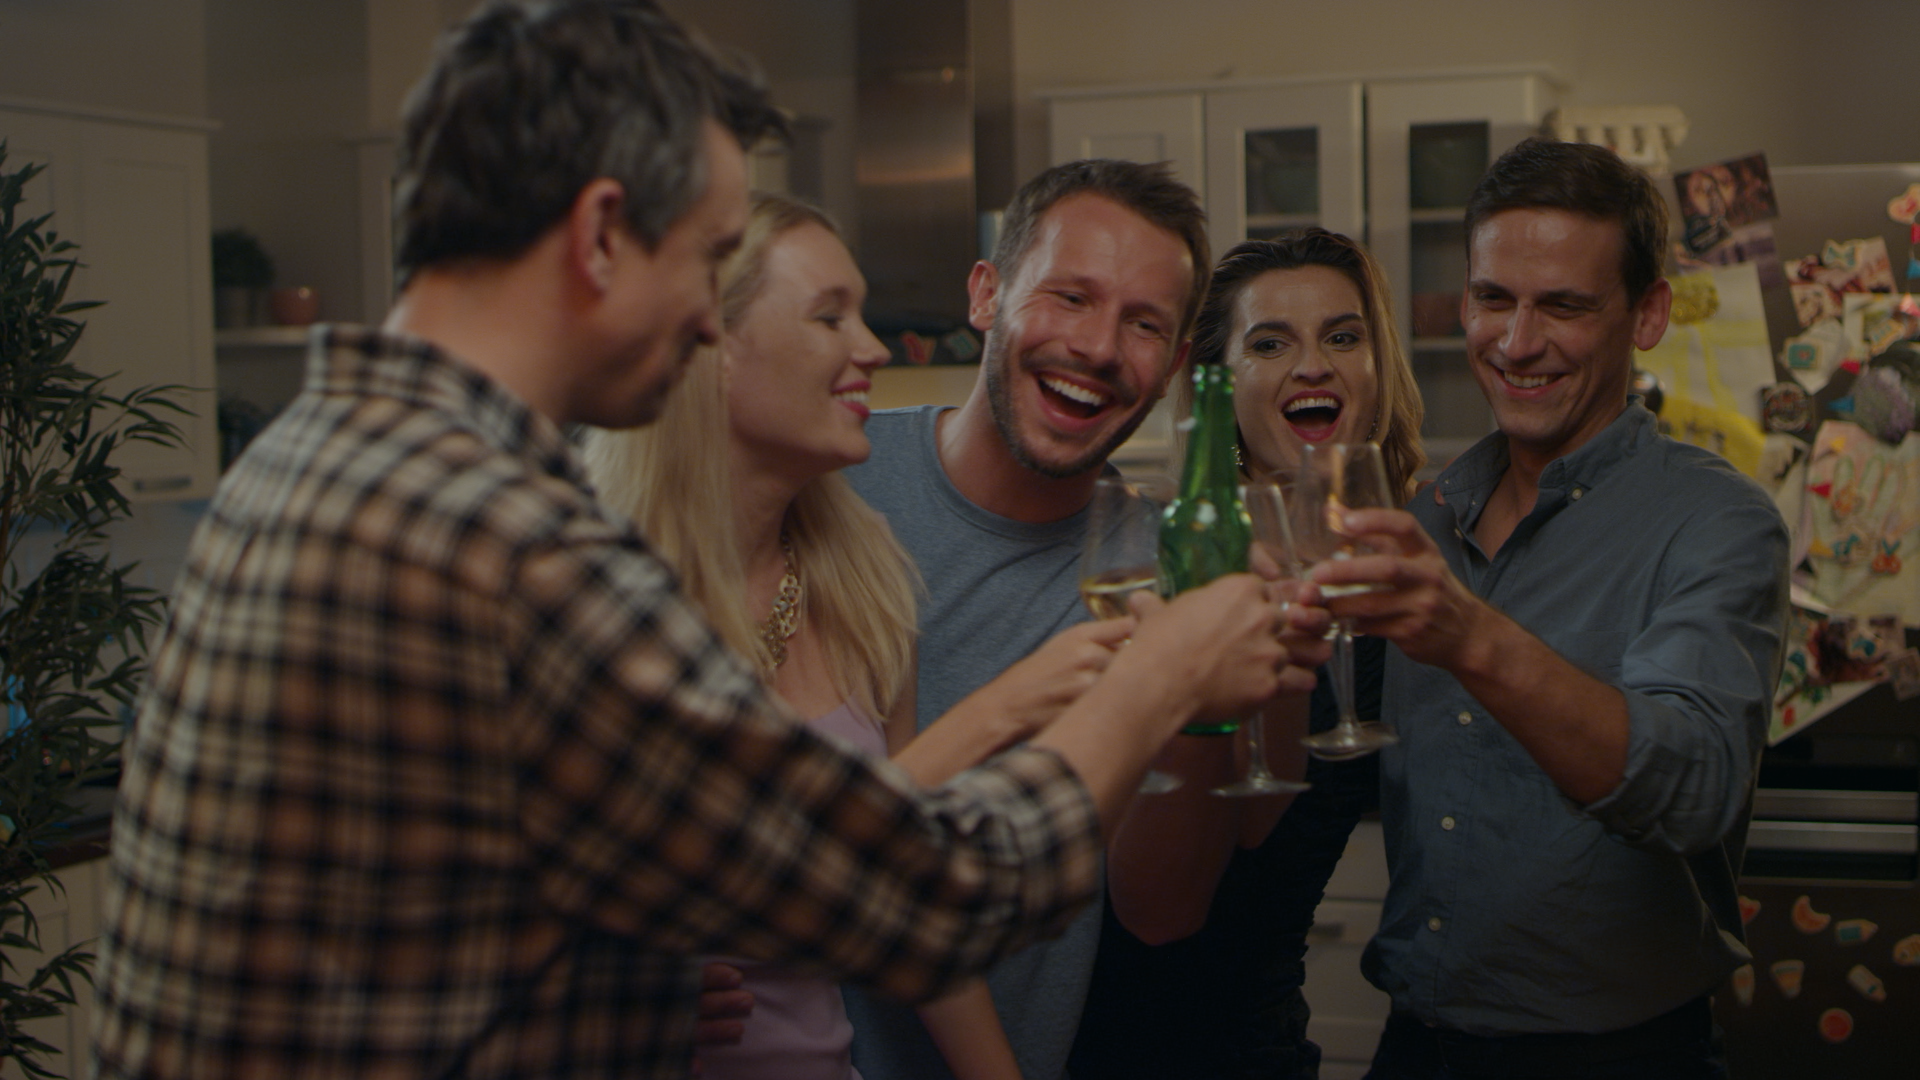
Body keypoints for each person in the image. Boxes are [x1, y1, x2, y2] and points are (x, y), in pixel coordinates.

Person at [88, 5, 1305, 1077]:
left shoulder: (323, 453)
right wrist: (1155, 681)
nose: (709, 317)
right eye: (713, 257)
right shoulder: (505, 542)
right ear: (601, 235)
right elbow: (913, 893)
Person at [581, 192, 1131, 1080]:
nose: (873, 348)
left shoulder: (860, 569)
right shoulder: (588, 589)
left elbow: (903, 887)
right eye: (829, 316)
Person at [842, 159, 1331, 1080]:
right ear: (987, 294)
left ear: (1175, 365)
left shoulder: (1161, 567)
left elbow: (1162, 910)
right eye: (1070, 297)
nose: (1100, 348)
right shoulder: (835, 486)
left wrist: (1203, 698)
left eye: (1144, 324)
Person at [1316, 138, 1790, 1077]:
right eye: (1493, 298)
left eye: (1564, 306)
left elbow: (1694, 791)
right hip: (1414, 1048)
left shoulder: (1717, 523)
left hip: (1619, 1060)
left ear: (1647, 314)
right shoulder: (1425, 519)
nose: (1517, 342)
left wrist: (1471, 636)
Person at [1072, 229, 1426, 1080]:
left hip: (1257, 1046)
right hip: (1098, 1050)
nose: (1313, 366)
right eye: (1270, 344)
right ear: (1219, 384)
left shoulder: (1402, 593)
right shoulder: (1155, 558)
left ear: (1377, 368)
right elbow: (1156, 899)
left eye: (1343, 336)